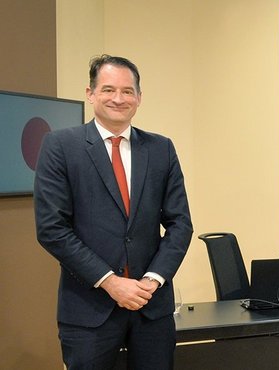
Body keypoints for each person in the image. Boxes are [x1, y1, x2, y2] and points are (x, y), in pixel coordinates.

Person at [34, 54, 193, 369]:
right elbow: (52, 228)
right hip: (89, 310)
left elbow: (180, 223)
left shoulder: (161, 149)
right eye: (108, 90)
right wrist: (110, 281)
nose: (118, 99)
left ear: (139, 98)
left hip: (152, 308)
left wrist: (153, 279)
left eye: (127, 91)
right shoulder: (61, 146)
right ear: (91, 94)